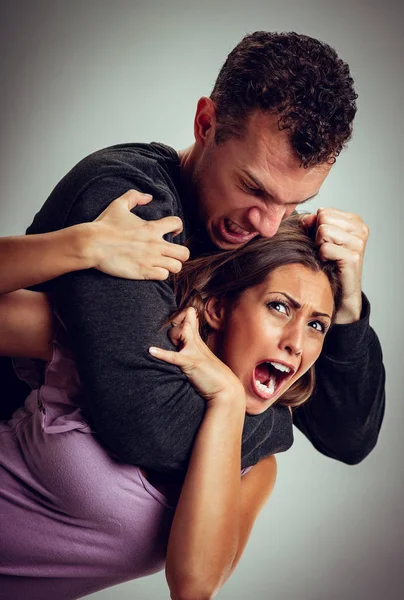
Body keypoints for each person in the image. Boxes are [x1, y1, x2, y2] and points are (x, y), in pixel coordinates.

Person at [2, 31, 385, 471]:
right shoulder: (129, 199)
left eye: (294, 203)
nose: (270, 225)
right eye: (253, 188)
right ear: (206, 124)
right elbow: (154, 427)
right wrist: (275, 421)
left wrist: (348, 306)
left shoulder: (264, 233)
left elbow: (349, 437)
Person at [1, 214, 340, 599]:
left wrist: (226, 400)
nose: (297, 342)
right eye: (280, 307)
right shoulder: (127, 353)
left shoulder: (257, 465)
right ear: (216, 308)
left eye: (317, 325)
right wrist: (80, 246)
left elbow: (194, 585)